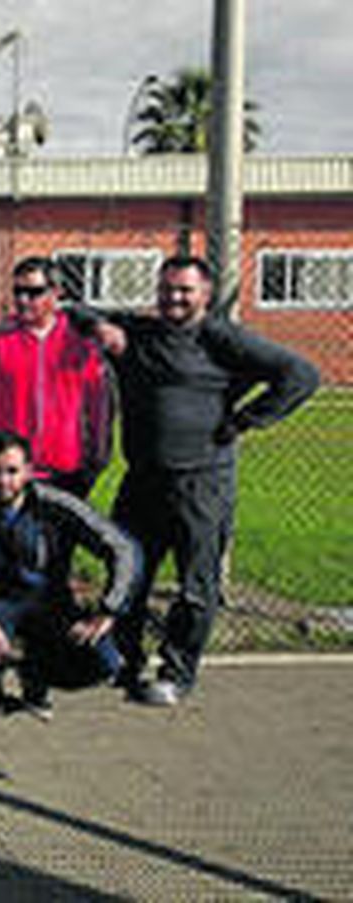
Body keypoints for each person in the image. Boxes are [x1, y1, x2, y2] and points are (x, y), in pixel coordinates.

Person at [69, 256, 319, 705]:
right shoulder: (140, 331)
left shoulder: (222, 338)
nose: (174, 298)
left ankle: (176, 672)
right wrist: (99, 328)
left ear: (205, 294)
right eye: (166, 289)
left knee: (195, 585)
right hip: (143, 479)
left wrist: (245, 420)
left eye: (184, 290)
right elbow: (75, 310)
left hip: (201, 484)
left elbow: (301, 375)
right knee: (128, 573)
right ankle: (125, 663)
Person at [0, 432, 138, 719]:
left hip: (47, 601)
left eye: (12, 471)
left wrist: (109, 610)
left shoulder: (57, 503)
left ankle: (36, 674)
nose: (3, 481)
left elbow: (122, 549)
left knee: (103, 661)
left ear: (30, 471)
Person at [0, 257, 114, 497]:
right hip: (5, 474)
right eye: (18, 291)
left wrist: (96, 458)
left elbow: (99, 405)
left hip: (64, 473)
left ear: (56, 293)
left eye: (34, 292)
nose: (23, 300)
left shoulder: (82, 346)